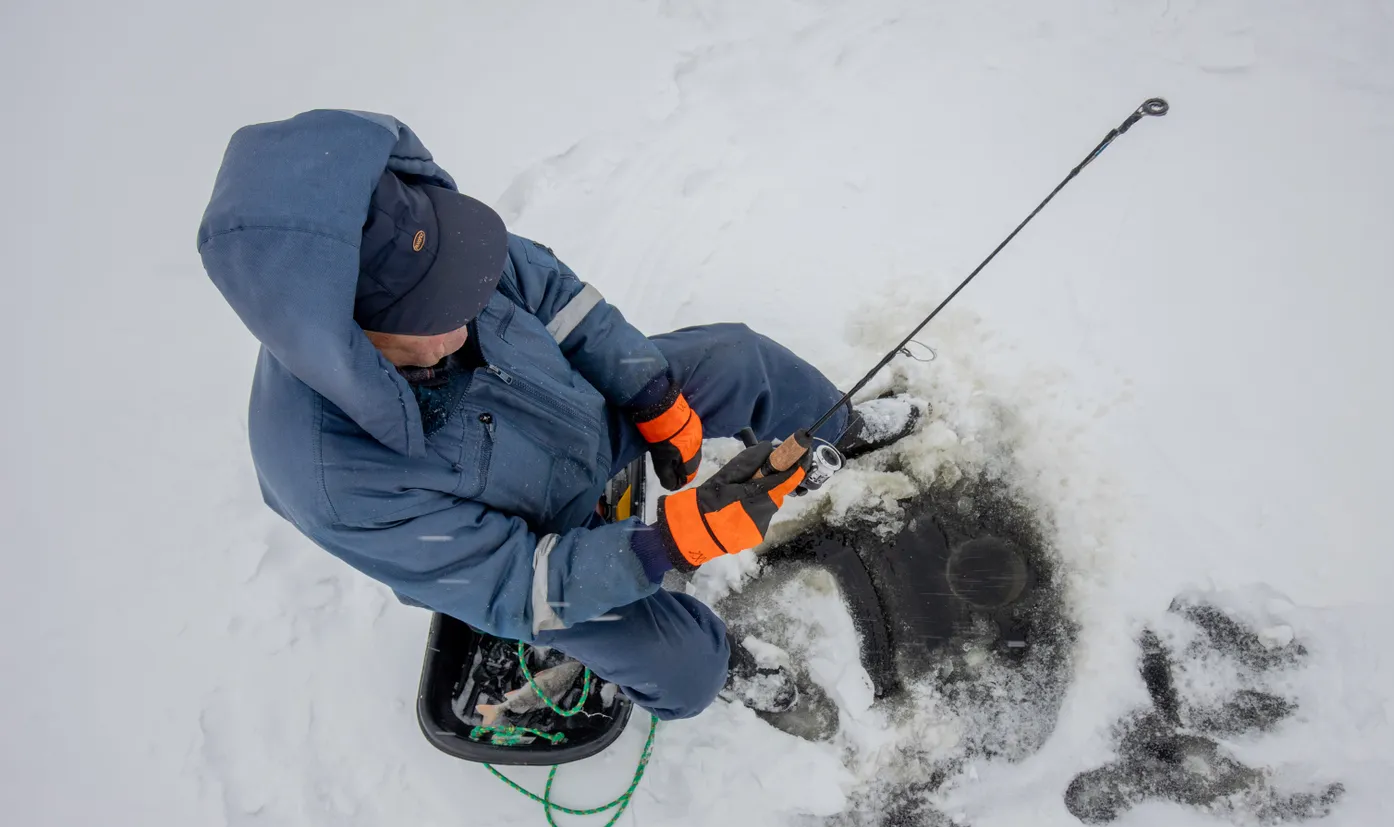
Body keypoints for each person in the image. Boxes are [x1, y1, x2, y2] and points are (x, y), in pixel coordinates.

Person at [198, 110, 918, 720]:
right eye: (434, 318)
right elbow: (516, 584)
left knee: (739, 357)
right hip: (531, 540)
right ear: (351, 340)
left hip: (584, 416)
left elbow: (556, 296)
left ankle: (836, 431)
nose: (465, 318)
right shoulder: (330, 478)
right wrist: (664, 545)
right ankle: (730, 665)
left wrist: (650, 394)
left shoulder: (422, 235)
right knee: (685, 668)